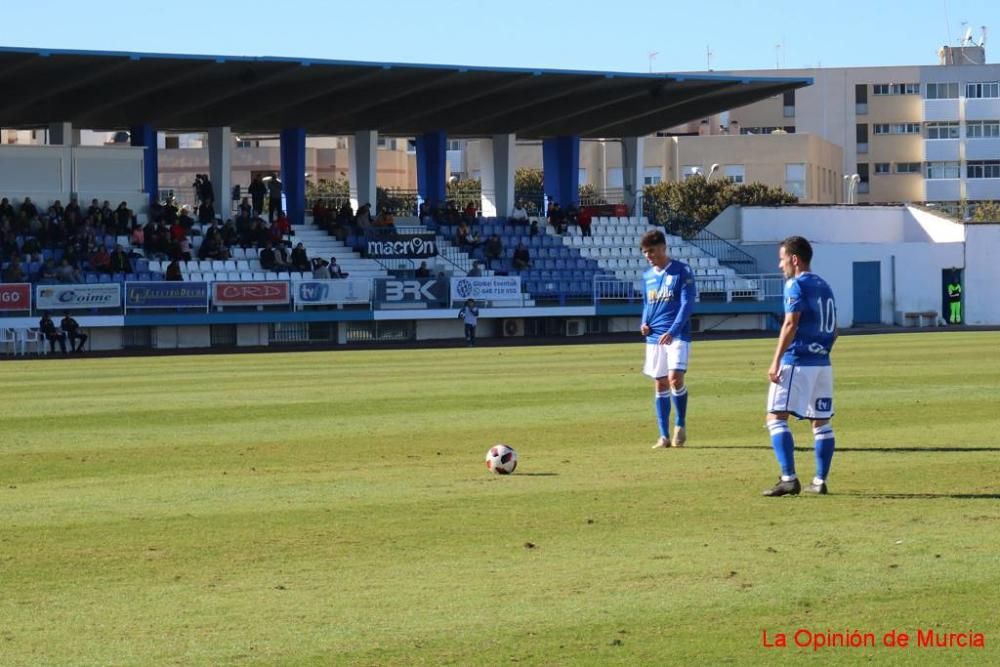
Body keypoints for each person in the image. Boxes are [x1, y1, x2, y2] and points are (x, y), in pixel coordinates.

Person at [762, 236, 838, 497]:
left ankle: (788, 478)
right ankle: (819, 481)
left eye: (782, 259)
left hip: (798, 361)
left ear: (794, 259)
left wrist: (775, 360)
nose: (780, 265)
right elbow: (835, 330)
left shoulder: (795, 284)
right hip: (822, 363)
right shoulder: (824, 285)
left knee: (775, 417)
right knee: (821, 423)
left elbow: (790, 324)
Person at [639, 229, 696, 449]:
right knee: (660, 383)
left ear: (663, 247)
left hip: (677, 334)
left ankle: (680, 425)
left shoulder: (681, 271)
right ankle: (663, 436)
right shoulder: (647, 276)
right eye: (645, 252)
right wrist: (644, 323)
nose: (648, 256)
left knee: (675, 379)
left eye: (651, 251)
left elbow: (687, 304)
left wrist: (672, 330)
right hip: (654, 337)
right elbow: (647, 304)